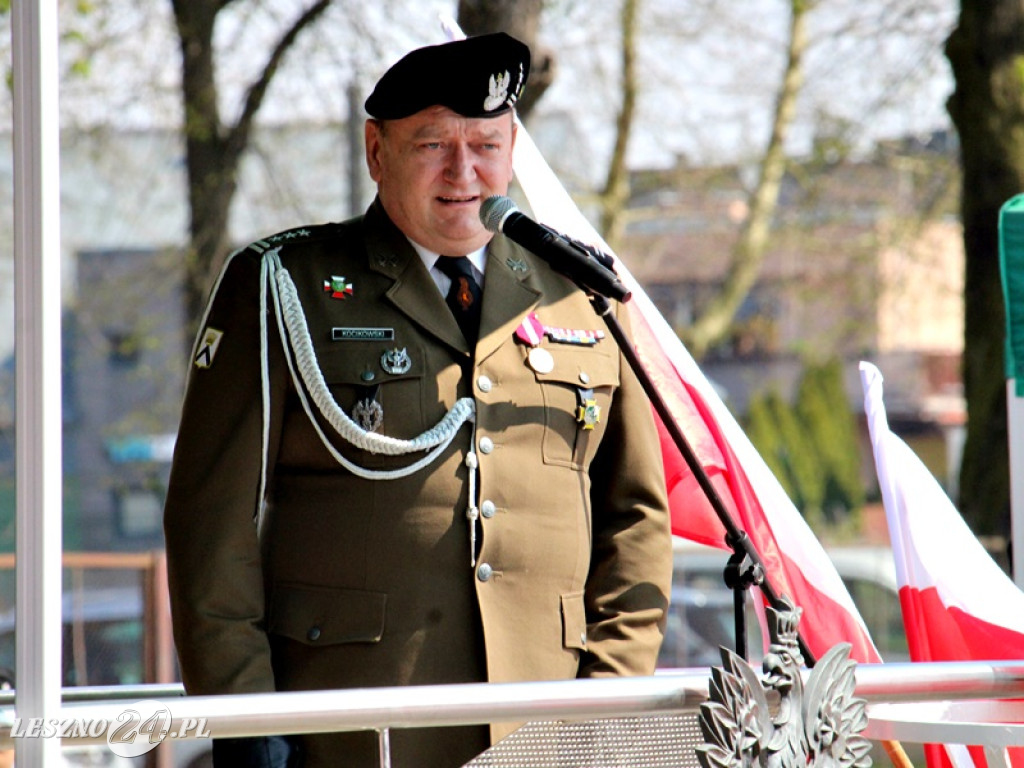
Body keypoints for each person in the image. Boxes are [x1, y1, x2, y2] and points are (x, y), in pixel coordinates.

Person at [163, 32, 673, 768]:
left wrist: (608, 706)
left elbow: (637, 517)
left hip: (554, 732)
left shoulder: (582, 293)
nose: (465, 171)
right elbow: (212, 524)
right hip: (355, 732)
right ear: (377, 152)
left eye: (487, 144)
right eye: (433, 144)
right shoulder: (284, 285)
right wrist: (247, 726)